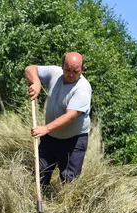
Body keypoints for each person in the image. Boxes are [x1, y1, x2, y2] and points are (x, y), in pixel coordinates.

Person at [25, 52, 92, 187]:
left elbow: (71, 116)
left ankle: (68, 207)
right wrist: (36, 82)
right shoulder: (54, 73)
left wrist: (46, 128)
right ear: (62, 66)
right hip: (50, 138)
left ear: (83, 69)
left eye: (75, 71)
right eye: (67, 70)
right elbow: (30, 69)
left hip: (73, 141)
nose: (71, 74)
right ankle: (39, 202)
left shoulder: (83, 89)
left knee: (69, 180)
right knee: (39, 173)